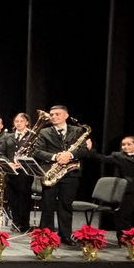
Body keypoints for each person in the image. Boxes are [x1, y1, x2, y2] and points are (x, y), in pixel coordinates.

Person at [33, 105, 88, 244]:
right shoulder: (44, 132)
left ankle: (66, 235)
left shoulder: (77, 131)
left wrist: (69, 155)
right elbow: (37, 151)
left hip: (71, 173)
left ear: (66, 116)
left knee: (66, 205)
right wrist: (56, 156)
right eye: (51, 114)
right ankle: (47, 235)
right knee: (48, 205)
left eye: (57, 114)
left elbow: (84, 150)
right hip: (51, 172)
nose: (53, 117)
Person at [90, 136, 134, 240]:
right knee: (125, 213)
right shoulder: (119, 156)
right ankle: (125, 237)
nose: (125, 147)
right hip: (128, 189)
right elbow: (101, 158)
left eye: (129, 144)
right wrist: (91, 149)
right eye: (123, 144)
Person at [4, 113, 34, 232]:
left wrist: (23, 162)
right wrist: (8, 162)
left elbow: (35, 153)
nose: (18, 123)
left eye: (21, 121)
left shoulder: (32, 137)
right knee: (12, 198)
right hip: (11, 172)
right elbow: (2, 152)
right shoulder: (8, 137)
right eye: (16, 121)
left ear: (27, 122)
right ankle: (15, 222)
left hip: (24, 173)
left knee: (23, 198)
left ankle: (24, 224)